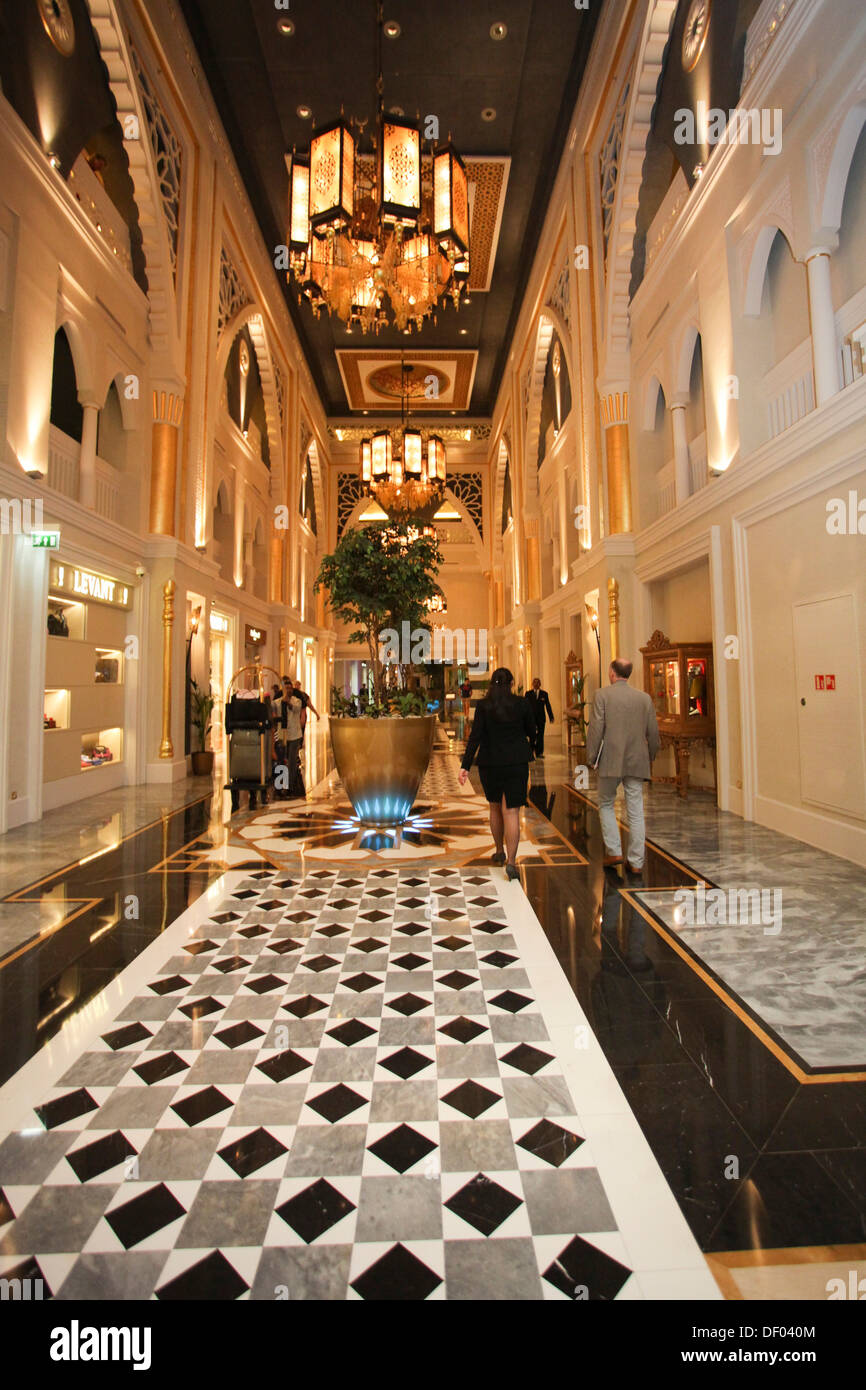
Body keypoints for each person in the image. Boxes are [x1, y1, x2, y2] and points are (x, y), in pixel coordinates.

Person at [458, 667, 536, 881]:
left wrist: (465, 766)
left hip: (490, 763)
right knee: (511, 811)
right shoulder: (521, 704)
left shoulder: (484, 706)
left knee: (494, 807)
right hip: (516, 763)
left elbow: (475, 736)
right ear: (511, 684)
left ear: (492, 684)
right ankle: (511, 862)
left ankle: (499, 850)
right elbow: (532, 730)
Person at [586, 658, 660, 873]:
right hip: (637, 760)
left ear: (612, 673)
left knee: (606, 803)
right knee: (636, 810)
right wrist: (651, 755)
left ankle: (614, 851)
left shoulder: (602, 695)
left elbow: (596, 730)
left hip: (610, 759)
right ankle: (636, 862)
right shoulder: (644, 699)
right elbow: (653, 732)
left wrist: (591, 757)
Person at [278, 683, 304, 799]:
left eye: (290, 688)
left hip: (294, 735)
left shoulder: (296, 701)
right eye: (286, 688)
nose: (288, 690)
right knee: (282, 760)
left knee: (292, 761)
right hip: (282, 735)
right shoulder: (277, 702)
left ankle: (290, 786)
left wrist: (287, 702)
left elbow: (295, 709)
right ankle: (280, 785)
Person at [526, 676, 554, 756]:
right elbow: (526, 706)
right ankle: (531, 751)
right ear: (532, 684)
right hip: (531, 719)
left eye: (538, 682)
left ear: (540, 684)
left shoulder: (544, 694)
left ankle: (539, 752)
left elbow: (548, 706)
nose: (536, 684)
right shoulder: (528, 694)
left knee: (540, 736)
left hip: (541, 718)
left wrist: (551, 717)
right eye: (535, 682)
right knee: (532, 735)